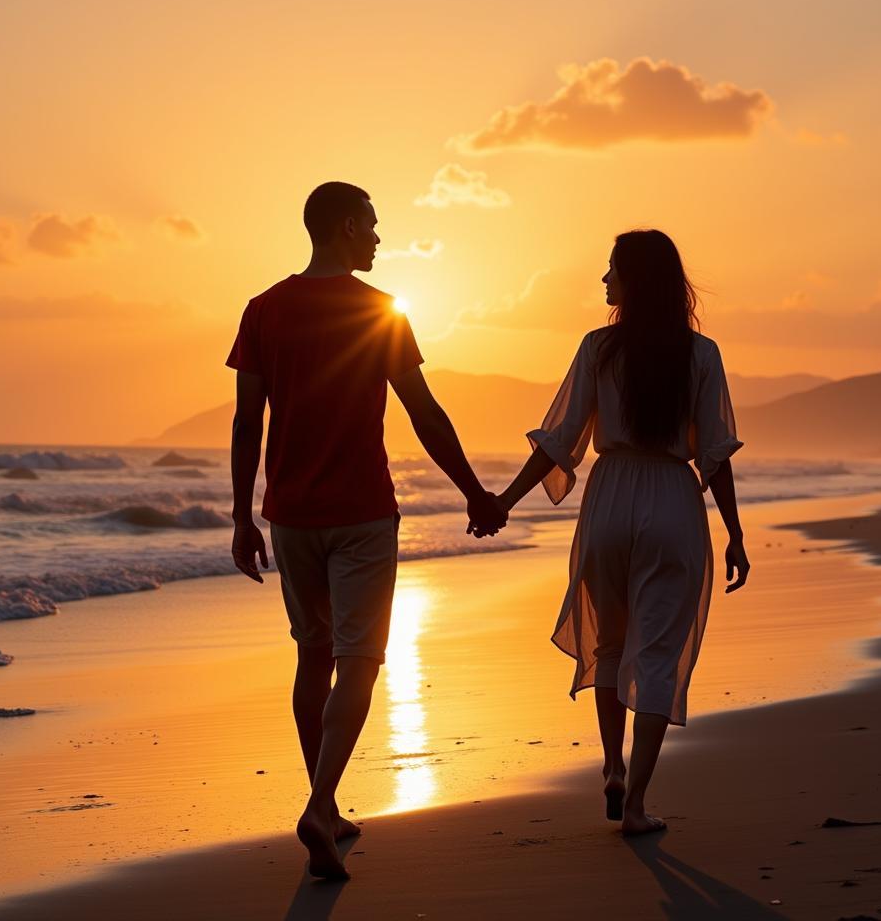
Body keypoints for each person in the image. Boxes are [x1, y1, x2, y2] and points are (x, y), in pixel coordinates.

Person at [227, 181, 506, 880]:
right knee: (359, 661)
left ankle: (328, 802)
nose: (379, 239)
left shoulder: (264, 310)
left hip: (290, 516)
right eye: (373, 227)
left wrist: (240, 514)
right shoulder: (380, 312)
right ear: (346, 226)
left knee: (312, 655)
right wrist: (475, 492)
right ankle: (320, 806)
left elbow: (246, 422)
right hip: (360, 514)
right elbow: (423, 411)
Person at [496, 229, 750, 835]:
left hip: (609, 498)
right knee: (658, 654)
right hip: (671, 498)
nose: (604, 281)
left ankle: (611, 765)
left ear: (633, 280)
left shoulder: (598, 348)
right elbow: (714, 454)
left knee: (610, 644)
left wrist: (503, 501)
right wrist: (735, 534)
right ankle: (635, 803)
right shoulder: (702, 354)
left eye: (611, 271)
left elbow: (559, 442)